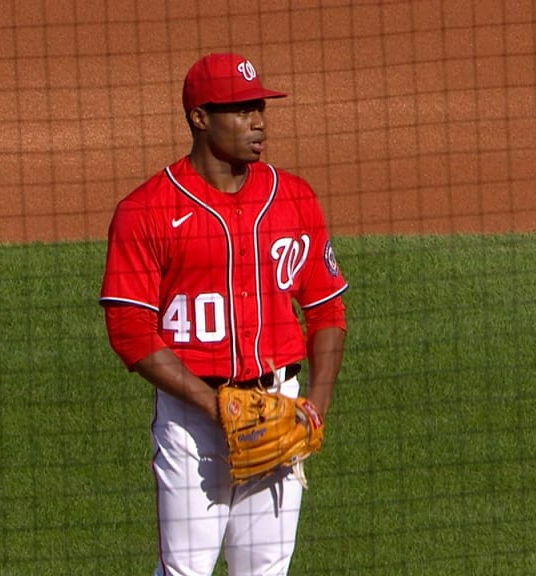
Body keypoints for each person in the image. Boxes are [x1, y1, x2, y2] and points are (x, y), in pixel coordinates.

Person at [98, 52, 348, 576]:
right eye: (239, 109)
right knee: (184, 571)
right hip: (193, 424)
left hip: (278, 409)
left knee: (266, 572)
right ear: (199, 117)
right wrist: (216, 407)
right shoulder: (146, 210)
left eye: (259, 107)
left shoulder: (294, 199)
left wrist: (314, 408)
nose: (257, 121)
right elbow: (129, 330)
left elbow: (326, 311)